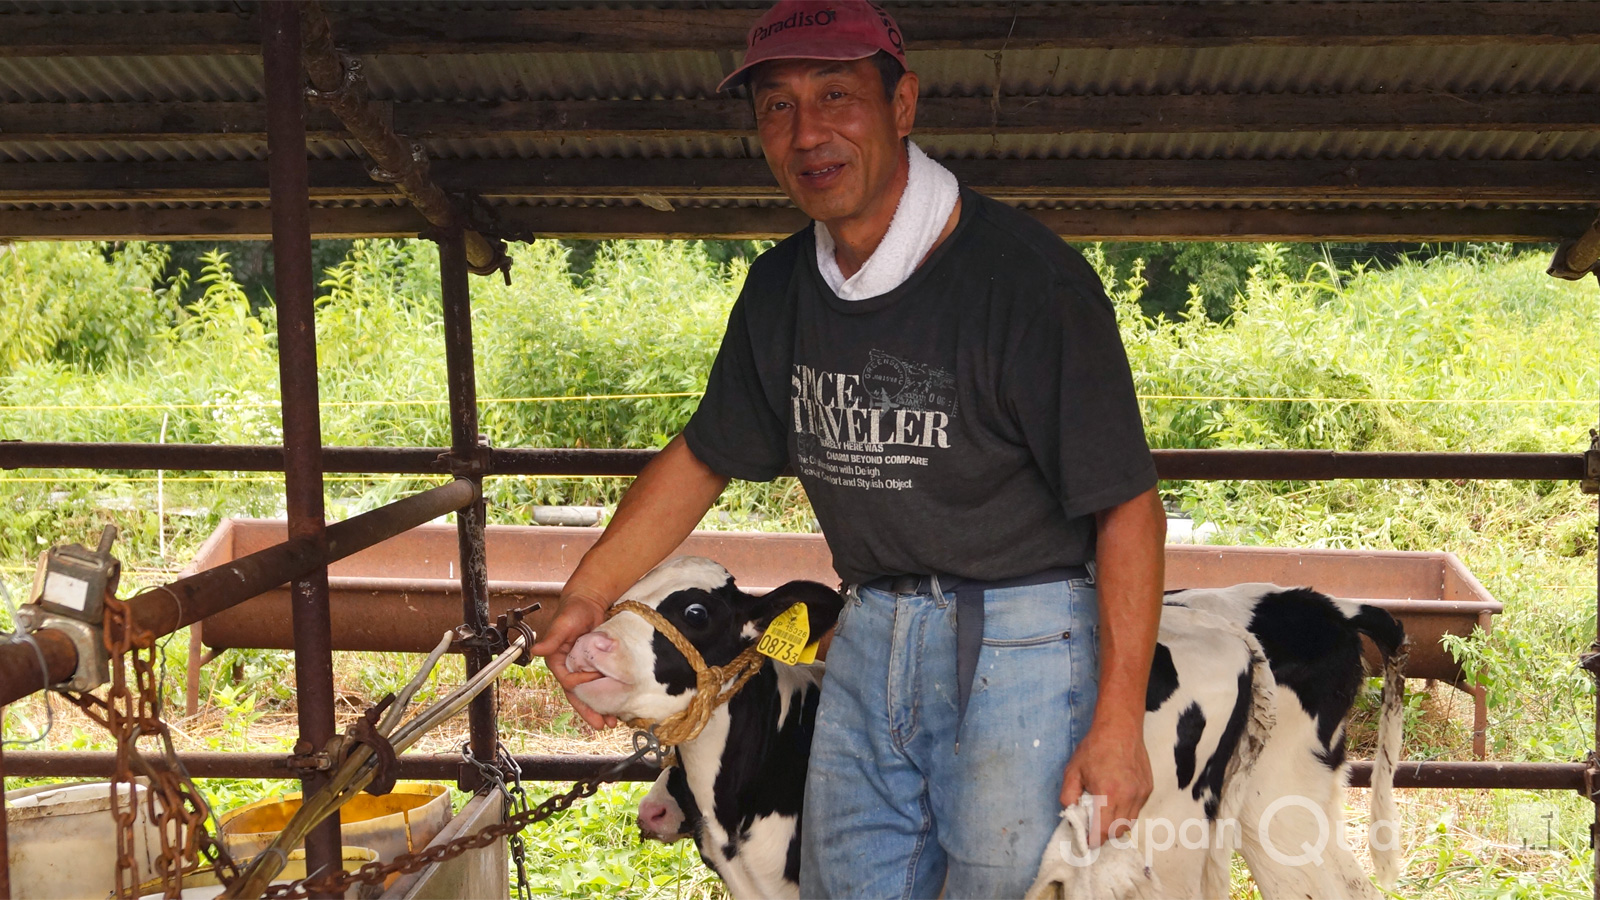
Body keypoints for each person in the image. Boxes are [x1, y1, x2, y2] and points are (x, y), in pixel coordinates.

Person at [530, 1, 1166, 896]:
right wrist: (586, 596)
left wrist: (1117, 722)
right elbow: (704, 456)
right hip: (867, 629)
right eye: (777, 107)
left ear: (903, 104)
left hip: (1020, 638)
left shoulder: (1028, 283)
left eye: (837, 95)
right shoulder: (782, 288)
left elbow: (1126, 505)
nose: (808, 132)